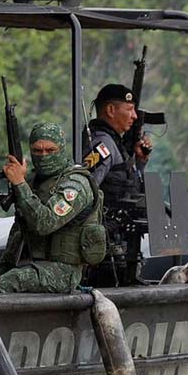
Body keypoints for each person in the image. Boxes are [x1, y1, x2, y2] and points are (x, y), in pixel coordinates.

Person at [0, 123, 105, 294]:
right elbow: (19, 229)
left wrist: (20, 184)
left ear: (61, 149)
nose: (44, 156)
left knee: (7, 283)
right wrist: (3, 265)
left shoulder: (75, 185)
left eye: (50, 150)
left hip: (63, 272)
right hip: (31, 263)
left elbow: (44, 223)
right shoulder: (34, 181)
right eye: (37, 151)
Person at [81, 83, 152, 286]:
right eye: (129, 110)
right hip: (104, 251)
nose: (135, 116)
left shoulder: (115, 144)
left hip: (119, 245)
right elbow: (85, 188)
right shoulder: (102, 145)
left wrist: (139, 161)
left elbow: (124, 183)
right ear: (111, 110)